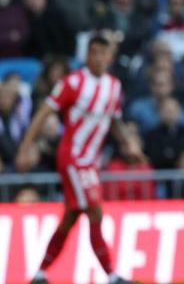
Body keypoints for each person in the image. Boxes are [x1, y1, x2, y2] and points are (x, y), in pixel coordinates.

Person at [15, 33, 143, 284]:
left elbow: (115, 120)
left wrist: (130, 144)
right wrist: (25, 148)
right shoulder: (73, 82)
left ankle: (40, 273)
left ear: (110, 57)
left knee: (70, 217)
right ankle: (112, 276)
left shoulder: (114, 86)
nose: (97, 57)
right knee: (95, 212)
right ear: (86, 55)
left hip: (91, 162)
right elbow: (43, 113)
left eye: (102, 53)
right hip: (72, 158)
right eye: (92, 52)